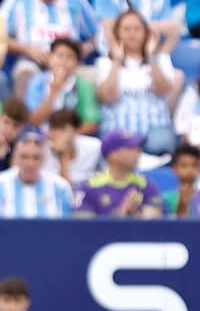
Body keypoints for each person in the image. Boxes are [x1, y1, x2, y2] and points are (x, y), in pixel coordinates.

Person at [0, 0, 98, 101]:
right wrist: (26, 49)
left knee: (95, 78)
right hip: (33, 59)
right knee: (24, 76)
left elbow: (97, 34)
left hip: (70, 61)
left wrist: (82, 50)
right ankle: (25, 120)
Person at [95, 10, 178, 155]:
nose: (132, 33)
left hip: (155, 130)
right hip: (118, 130)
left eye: (137, 28)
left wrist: (153, 59)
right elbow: (108, 97)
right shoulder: (104, 63)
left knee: (161, 143)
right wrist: (117, 62)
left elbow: (162, 90)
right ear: (117, 33)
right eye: (126, 29)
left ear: (146, 32)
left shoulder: (161, 59)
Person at [0, 130, 74, 217]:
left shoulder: (60, 186)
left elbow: (67, 227)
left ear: (44, 159)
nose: (30, 163)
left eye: (36, 157)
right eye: (24, 157)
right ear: (16, 157)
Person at [74, 130, 165, 218]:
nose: (139, 151)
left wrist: (136, 213)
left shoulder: (146, 185)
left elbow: (154, 221)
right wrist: (121, 214)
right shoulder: (89, 187)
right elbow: (83, 226)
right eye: (131, 148)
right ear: (114, 154)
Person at [24, 38, 100, 135]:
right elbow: (34, 120)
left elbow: (91, 123)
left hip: (72, 138)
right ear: (49, 58)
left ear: (77, 63)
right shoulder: (37, 82)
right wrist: (54, 91)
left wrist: (66, 137)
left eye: (70, 57)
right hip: (42, 136)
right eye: (59, 55)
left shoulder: (84, 86)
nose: (64, 60)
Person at [44, 109, 103, 185]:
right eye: (53, 129)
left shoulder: (95, 147)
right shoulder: (44, 154)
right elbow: (64, 191)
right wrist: (64, 156)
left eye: (62, 129)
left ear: (76, 130)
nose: (57, 133)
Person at [163, 144, 200, 218]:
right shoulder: (166, 199)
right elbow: (175, 227)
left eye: (194, 165)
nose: (190, 170)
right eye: (184, 165)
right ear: (175, 169)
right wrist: (182, 204)